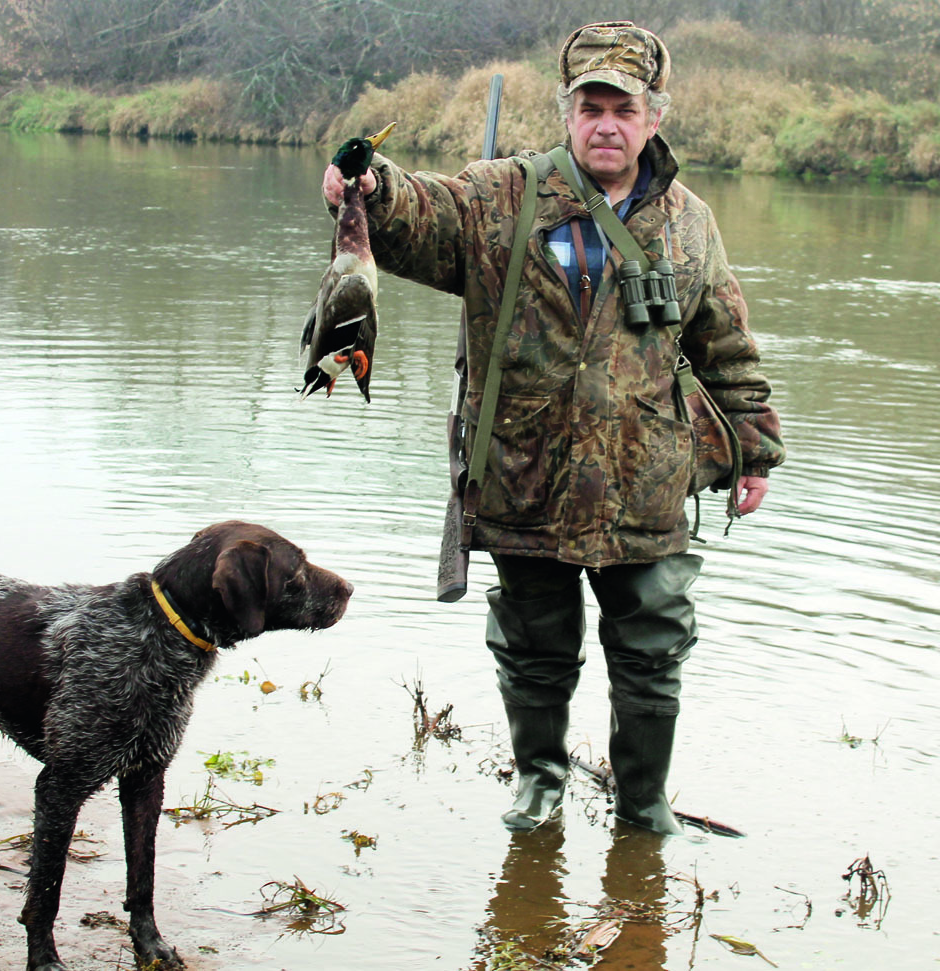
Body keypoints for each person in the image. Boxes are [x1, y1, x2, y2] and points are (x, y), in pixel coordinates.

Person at [322, 21, 785, 834]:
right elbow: (418, 215)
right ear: (567, 112)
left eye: (624, 108)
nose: (607, 123)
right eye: (591, 106)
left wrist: (754, 450)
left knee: (653, 650)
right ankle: (539, 782)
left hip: (647, 484)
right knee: (535, 647)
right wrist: (367, 185)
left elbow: (725, 343)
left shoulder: (690, 223)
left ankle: (643, 804)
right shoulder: (502, 193)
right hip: (522, 471)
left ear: (653, 116)